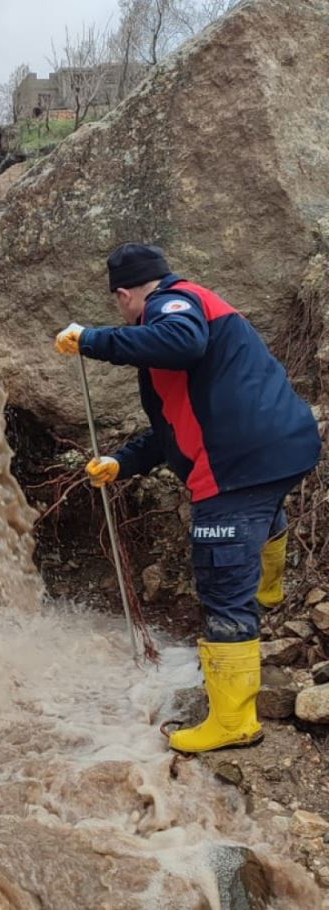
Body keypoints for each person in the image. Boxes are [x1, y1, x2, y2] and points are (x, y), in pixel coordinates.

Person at [55, 243, 320, 753]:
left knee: (221, 581)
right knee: (260, 519)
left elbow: (180, 342)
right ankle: (267, 594)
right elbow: (172, 427)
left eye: (119, 305)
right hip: (281, 450)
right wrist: (122, 462)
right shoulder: (191, 311)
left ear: (125, 294)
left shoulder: (174, 306)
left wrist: (92, 340)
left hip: (236, 467)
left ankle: (233, 720)